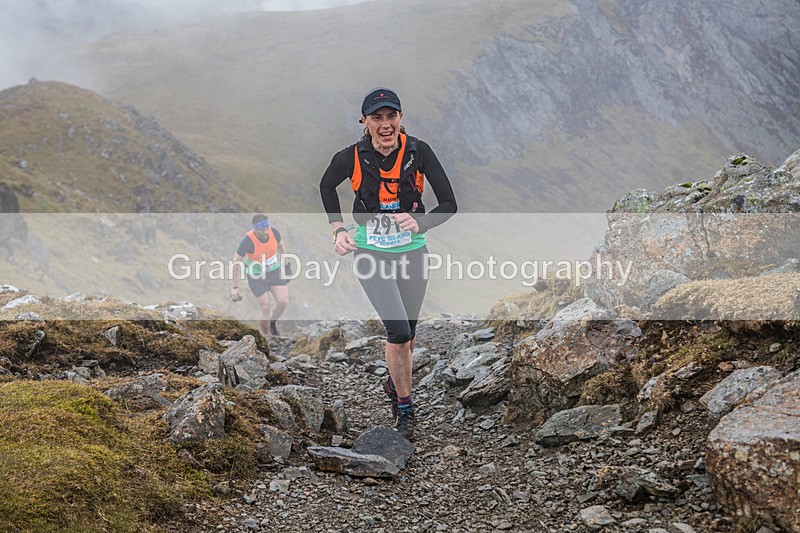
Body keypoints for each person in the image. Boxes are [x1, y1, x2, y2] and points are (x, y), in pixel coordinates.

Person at [319, 87, 457, 440]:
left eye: (391, 116)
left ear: (401, 118)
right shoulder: (350, 156)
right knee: (397, 332)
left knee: (408, 336)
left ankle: (393, 383)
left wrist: (421, 222)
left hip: (413, 252)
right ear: (363, 122)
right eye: (377, 117)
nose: (385, 124)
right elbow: (326, 185)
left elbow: (448, 203)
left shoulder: (419, 152)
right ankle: (406, 409)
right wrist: (338, 230)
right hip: (371, 253)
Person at [230, 214, 290, 336]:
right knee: (265, 306)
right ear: (254, 228)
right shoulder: (248, 241)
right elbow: (236, 262)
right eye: (260, 227)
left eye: (265, 225)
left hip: (274, 271)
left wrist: (286, 265)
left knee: (283, 301)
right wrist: (234, 287)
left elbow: (281, 246)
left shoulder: (274, 233)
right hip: (256, 276)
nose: (264, 228)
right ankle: (267, 336)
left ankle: (272, 322)